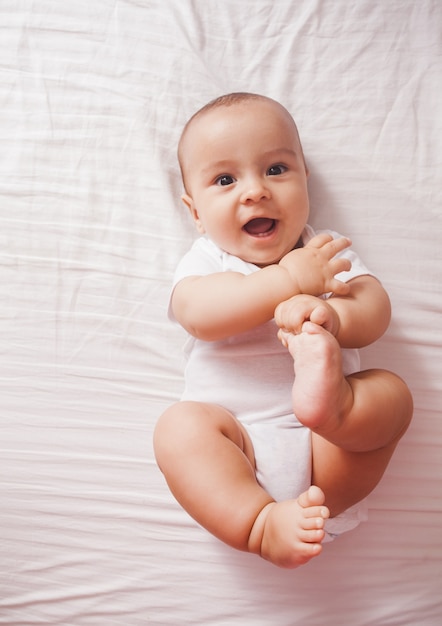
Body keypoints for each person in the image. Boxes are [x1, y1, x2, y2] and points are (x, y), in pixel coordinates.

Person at [153, 92, 413, 569]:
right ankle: (259, 526)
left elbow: (374, 309)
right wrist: (288, 281)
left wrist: (334, 317)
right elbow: (199, 315)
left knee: (390, 393)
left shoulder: (324, 251)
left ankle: (333, 407)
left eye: (275, 170)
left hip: (329, 448)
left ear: (305, 179)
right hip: (238, 444)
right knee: (179, 429)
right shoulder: (208, 259)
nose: (254, 191)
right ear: (195, 212)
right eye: (225, 179)